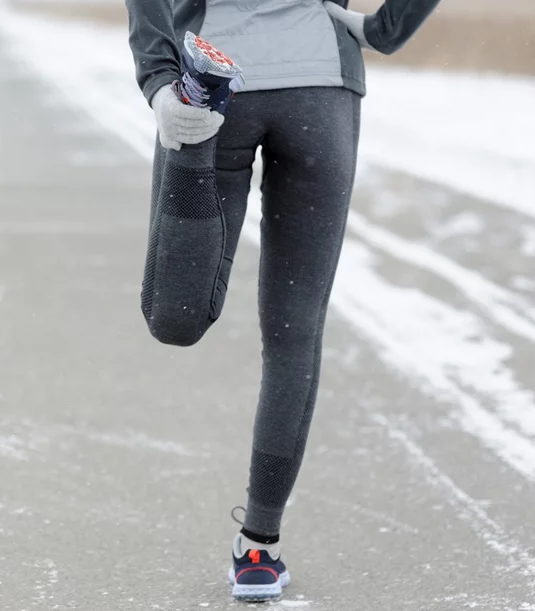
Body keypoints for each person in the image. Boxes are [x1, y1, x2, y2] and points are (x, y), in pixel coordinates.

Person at [126, 0, 441, 602]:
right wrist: (386, 29)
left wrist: (162, 84)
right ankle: (259, 553)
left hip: (229, 88)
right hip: (308, 91)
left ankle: (259, 543)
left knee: (244, 326)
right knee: (238, 327)